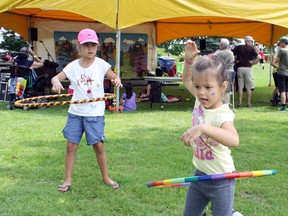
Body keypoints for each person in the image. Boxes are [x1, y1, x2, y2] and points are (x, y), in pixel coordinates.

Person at [51, 28, 122, 192]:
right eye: (86, 45)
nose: (90, 49)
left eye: (93, 45)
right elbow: (56, 77)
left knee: (99, 147)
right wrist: (56, 82)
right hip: (75, 113)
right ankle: (67, 179)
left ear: (97, 47)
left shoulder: (101, 64)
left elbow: (113, 76)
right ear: (80, 47)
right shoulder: (72, 66)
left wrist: (116, 80)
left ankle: (106, 177)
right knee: (70, 146)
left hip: (94, 114)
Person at [181, 39, 240, 216]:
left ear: (222, 87)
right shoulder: (201, 99)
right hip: (200, 175)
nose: (200, 92)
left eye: (207, 87)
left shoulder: (223, 114)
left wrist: (204, 128)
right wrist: (189, 61)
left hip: (222, 179)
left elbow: (234, 140)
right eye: (198, 86)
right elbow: (186, 79)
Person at [232, 36, 261, 107]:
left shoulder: (239, 47)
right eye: (251, 41)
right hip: (248, 68)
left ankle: (240, 103)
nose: (252, 42)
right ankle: (248, 103)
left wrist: (235, 61)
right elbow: (259, 57)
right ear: (248, 41)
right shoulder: (252, 48)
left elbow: (231, 54)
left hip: (240, 68)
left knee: (240, 87)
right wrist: (254, 62)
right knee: (248, 87)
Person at [272, 36, 288, 111]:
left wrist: (276, 66)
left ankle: (283, 107)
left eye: (281, 42)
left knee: (282, 90)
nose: (280, 43)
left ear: (284, 42)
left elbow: (275, 62)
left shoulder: (282, 50)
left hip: (282, 72)